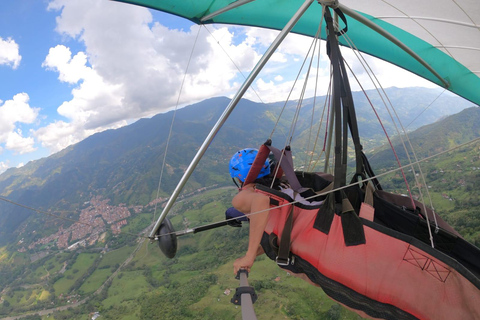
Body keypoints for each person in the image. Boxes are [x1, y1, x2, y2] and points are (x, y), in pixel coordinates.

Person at [229, 148, 272, 275]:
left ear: (239, 179)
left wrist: (250, 255)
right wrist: (258, 251)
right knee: (231, 213)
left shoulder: (246, 195)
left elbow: (261, 201)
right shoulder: (278, 184)